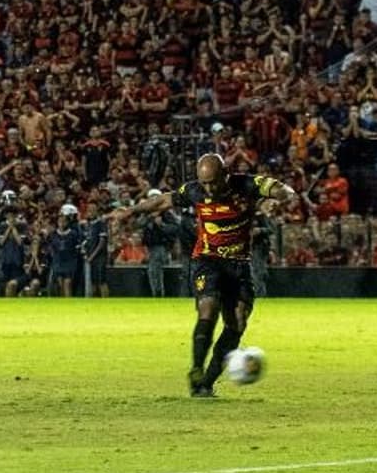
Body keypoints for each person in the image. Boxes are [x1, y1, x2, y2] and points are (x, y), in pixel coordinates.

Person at [110, 153, 296, 397]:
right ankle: (196, 368)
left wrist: (276, 199)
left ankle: (206, 385)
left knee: (237, 322)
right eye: (204, 182)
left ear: (225, 175)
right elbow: (163, 201)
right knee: (209, 308)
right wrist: (130, 211)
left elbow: (286, 190)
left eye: (213, 182)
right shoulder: (195, 190)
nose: (208, 188)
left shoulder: (248, 184)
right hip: (207, 260)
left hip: (239, 264)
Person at [140, 189, 176, 298]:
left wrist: (161, 225)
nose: (153, 200)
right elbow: (138, 224)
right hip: (149, 247)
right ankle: (156, 293)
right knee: (153, 272)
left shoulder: (166, 213)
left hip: (161, 247)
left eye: (155, 198)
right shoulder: (147, 213)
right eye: (151, 198)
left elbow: (175, 228)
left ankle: (158, 293)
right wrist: (149, 218)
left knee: (155, 271)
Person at [49, 205, 83, 298]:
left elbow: (77, 247)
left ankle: (69, 304)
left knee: (67, 283)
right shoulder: (53, 234)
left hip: (70, 262)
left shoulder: (73, 234)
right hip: (58, 262)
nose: (61, 223)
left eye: (64, 221)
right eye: (60, 221)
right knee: (60, 284)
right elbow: (52, 247)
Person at [82, 201, 109, 297]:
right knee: (92, 282)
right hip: (90, 257)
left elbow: (102, 242)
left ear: (97, 210)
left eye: (93, 209)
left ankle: (106, 304)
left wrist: (92, 256)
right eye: (89, 209)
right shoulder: (88, 225)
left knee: (101, 281)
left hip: (99, 257)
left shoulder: (101, 223)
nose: (91, 211)